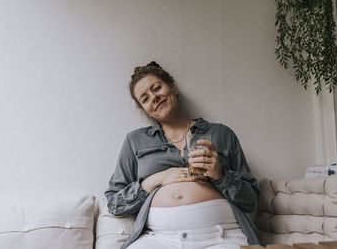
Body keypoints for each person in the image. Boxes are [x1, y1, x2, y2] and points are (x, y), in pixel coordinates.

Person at [105, 61, 260, 249]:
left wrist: (221, 175)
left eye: (157, 88)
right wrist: (158, 179)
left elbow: (251, 200)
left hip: (221, 235)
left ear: (172, 87)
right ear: (145, 109)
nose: (153, 98)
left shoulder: (222, 133)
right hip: (158, 238)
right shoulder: (135, 141)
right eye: (145, 99)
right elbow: (114, 203)